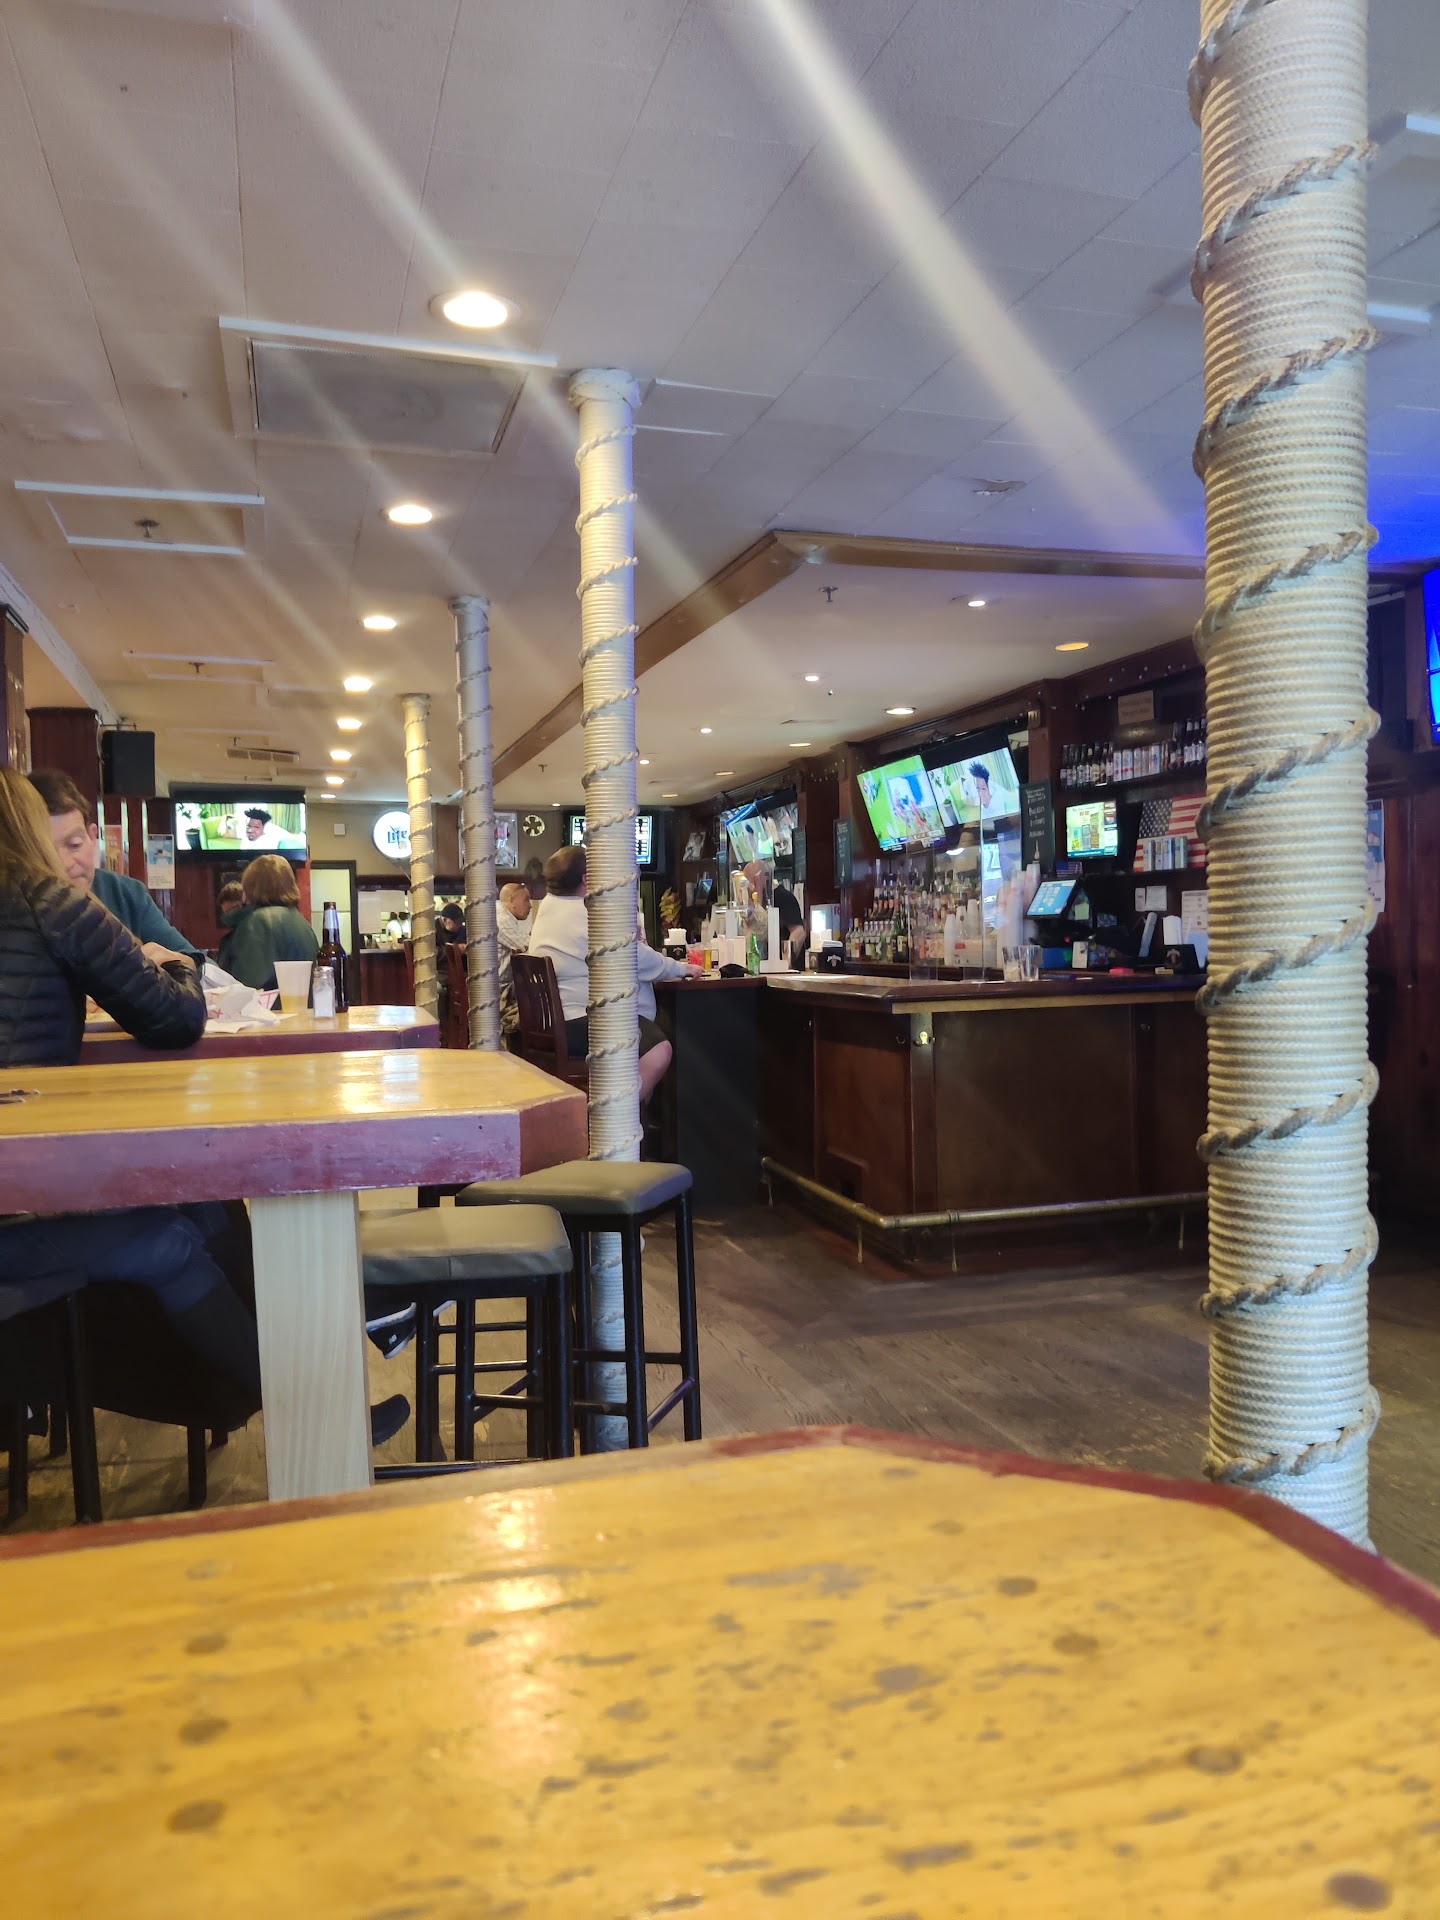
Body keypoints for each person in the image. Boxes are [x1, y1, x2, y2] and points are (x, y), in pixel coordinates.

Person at [0, 768, 262, 1407]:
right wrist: (177, 967)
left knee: (203, 1203)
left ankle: (276, 1374)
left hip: (24, 1177)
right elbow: (176, 1019)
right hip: (16, 1195)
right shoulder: (50, 903)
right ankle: (294, 1406)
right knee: (166, 1235)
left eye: (77, 841)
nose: (69, 856)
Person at [527, 845, 697, 1103]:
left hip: (555, 1023)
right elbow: (635, 957)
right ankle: (609, 1119)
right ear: (587, 880)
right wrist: (683, 968)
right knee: (657, 1050)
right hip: (582, 1023)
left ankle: (628, 1118)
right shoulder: (588, 917)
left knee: (647, 1034)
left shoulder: (547, 910)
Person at [29, 769, 200, 958]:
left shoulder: (125, 893)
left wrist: (180, 963)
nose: (64, 863)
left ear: (93, 837)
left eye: (74, 845)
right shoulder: (17, 909)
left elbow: (204, 966)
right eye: (46, 850)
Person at [221, 854, 319, 991]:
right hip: (302, 1003)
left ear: (251, 887)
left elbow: (248, 988)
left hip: (269, 1005)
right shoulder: (302, 923)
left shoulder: (257, 923)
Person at [215, 880, 244, 973]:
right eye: (226, 913)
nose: (228, 917)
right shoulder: (226, 941)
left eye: (232, 910)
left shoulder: (252, 933)